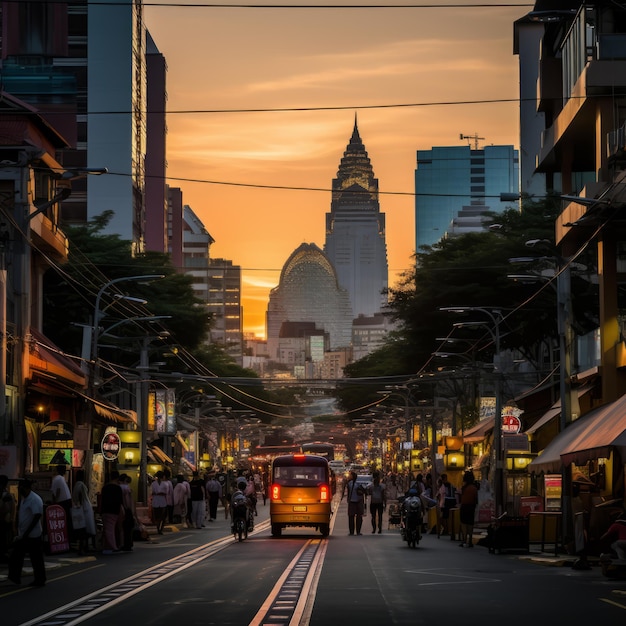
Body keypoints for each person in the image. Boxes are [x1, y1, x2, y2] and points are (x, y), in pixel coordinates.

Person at [8, 479, 46, 586]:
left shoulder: (34, 499)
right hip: (24, 534)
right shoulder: (25, 499)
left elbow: (37, 516)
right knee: (16, 556)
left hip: (32, 535)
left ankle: (40, 579)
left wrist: (26, 533)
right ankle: (15, 577)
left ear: (26, 488)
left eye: (21, 488)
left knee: (36, 559)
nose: (20, 490)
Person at [71, 469, 96, 555]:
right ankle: (85, 547)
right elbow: (81, 497)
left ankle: (84, 547)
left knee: (82, 529)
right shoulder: (81, 485)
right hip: (84, 509)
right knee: (86, 529)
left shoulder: (76, 485)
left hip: (80, 508)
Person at [100, 470, 124, 554]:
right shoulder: (118, 488)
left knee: (107, 528)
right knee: (111, 528)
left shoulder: (105, 487)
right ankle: (113, 546)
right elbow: (121, 501)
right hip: (115, 510)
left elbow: (101, 500)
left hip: (105, 510)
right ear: (117, 478)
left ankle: (107, 545)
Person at [458, 470, 479, 548]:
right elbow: (476, 499)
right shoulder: (474, 488)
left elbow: (461, 497)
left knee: (464, 523)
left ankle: (464, 540)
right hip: (471, 506)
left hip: (464, 506)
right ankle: (470, 540)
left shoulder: (464, 488)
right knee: (470, 523)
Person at [51, 464, 73, 535]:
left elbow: (57, 492)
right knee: (68, 520)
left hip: (62, 502)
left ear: (57, 470)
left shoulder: (56, 478)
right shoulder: (61, 478)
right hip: (68, 501)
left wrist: (54, 503)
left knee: (63, 521)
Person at [341, 471, 364, 535]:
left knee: (358, 517)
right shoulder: (350, 483)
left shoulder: (358, 483)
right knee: (351, 517)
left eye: (350, 475)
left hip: (358, 501)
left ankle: (357, 531)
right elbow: (347, 491)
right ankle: (352, 531)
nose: (349, 477)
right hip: (352, 501)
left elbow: (363, 491)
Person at [0, 474, 16, 562]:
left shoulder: (7, 495)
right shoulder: (7, 495)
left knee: (4, 538)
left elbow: (11, 509)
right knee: (4, 538)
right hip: (5, 520)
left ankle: (4, 553)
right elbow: (12, 509)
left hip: (4, 520)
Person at [119, 474, 137, 550]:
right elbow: (129, 501)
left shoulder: (120, 487)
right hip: (127, 509)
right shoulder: (126, 488)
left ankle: (123, 543)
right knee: (128, 528)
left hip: (121, 508)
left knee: (123, 528)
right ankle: (128, 544)